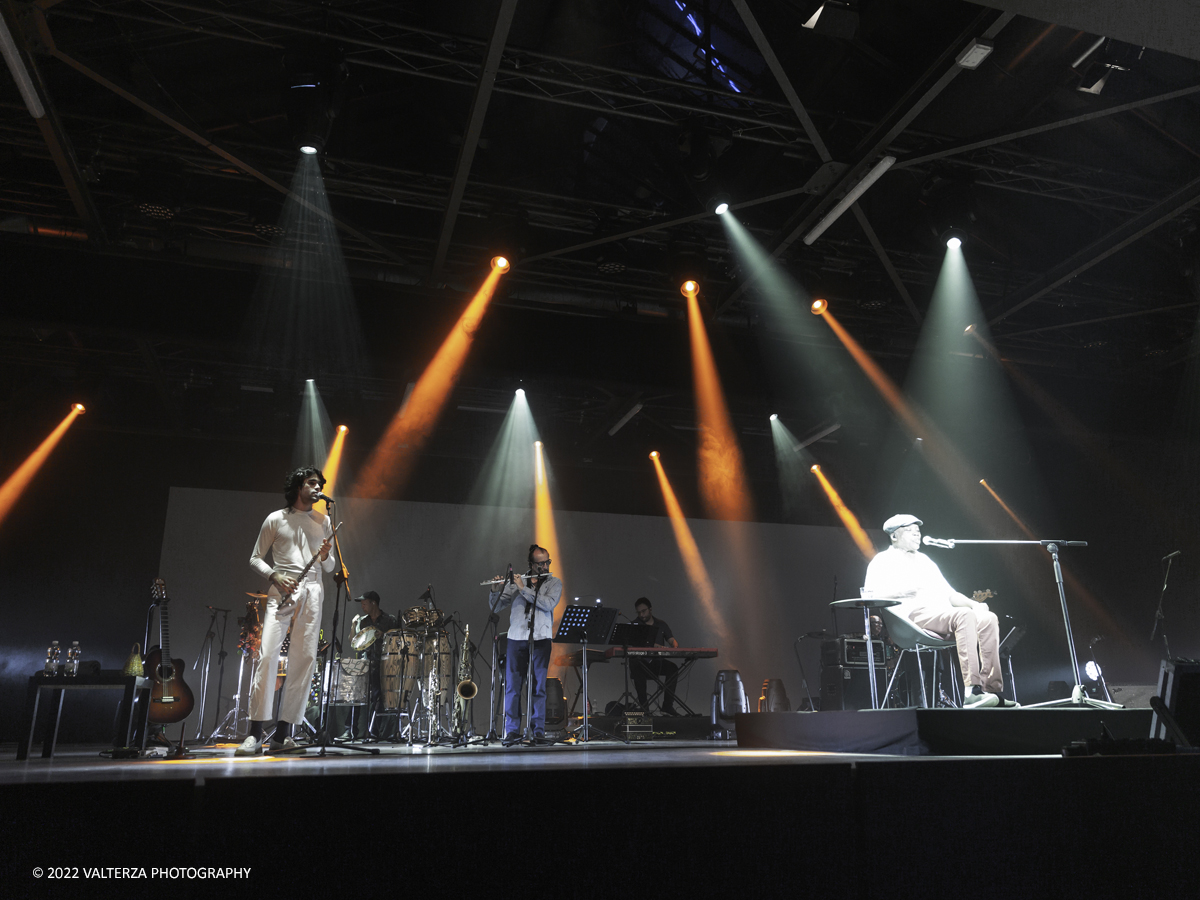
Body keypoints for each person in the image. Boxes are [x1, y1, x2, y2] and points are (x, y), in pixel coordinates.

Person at [862, 514, 1017, 708]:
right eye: (911, 532)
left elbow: (950, 594)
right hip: (911, 619)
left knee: (987, 618)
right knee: (964, 615)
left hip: (942, 615)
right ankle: (972, 692)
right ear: (894, 536)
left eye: (918, 532)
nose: (917, 536)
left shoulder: (925, 561)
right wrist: (902, 591)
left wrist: (973, 604)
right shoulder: (882, 561)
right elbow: (868, 595)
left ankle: (991, 691)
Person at [237, 466, 335, 755]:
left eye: (321, 484)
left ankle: (283, 734)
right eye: (312, 483)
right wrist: (275, 576)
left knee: (304, 660)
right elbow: (255, 558)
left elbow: (329, 567)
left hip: (314, 591)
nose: (318, 487)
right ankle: (255, 733)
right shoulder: (276, 519)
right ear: (298, 486)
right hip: (282, 591)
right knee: (267, 656)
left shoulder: (324, 520)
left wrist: (327, 556)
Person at [487, 544, 562, 742]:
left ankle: (537, 730)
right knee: (512, 686)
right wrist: (495, 590)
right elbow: (496, 606)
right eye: (540, 564)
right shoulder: (516, 581)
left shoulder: (554, 583)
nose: (544, 566)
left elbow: (547, 604)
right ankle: (511, 730)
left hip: (541, 639)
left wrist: (523, 588)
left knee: (538, 687)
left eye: (547, 562)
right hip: (516, 638)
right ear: (531, 564)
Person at [336, 591, 397, 740]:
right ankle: (349, 730)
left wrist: (384, 635)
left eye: (365, 603)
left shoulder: (390, 620)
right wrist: (353, 625)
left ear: (373, 603)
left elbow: (398, 640)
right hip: (366, 663)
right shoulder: (363, 621)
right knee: (356, 696)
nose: (362, 606)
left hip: (384, 664)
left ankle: (375, 731)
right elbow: (354, 643)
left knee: (379, 698)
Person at [631, 597, 681, 716]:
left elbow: (672, 640)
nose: (641, 615)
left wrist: (674, 646)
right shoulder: (634, 625)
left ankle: (667, 706)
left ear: (650, 609)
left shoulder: (661, 624)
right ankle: (645, 709)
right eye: (639, 612)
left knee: (673, 669)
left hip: (656, 662)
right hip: (641, 662)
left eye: (644, 611)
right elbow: (634, 643)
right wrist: (654, 646)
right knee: (637, 668)